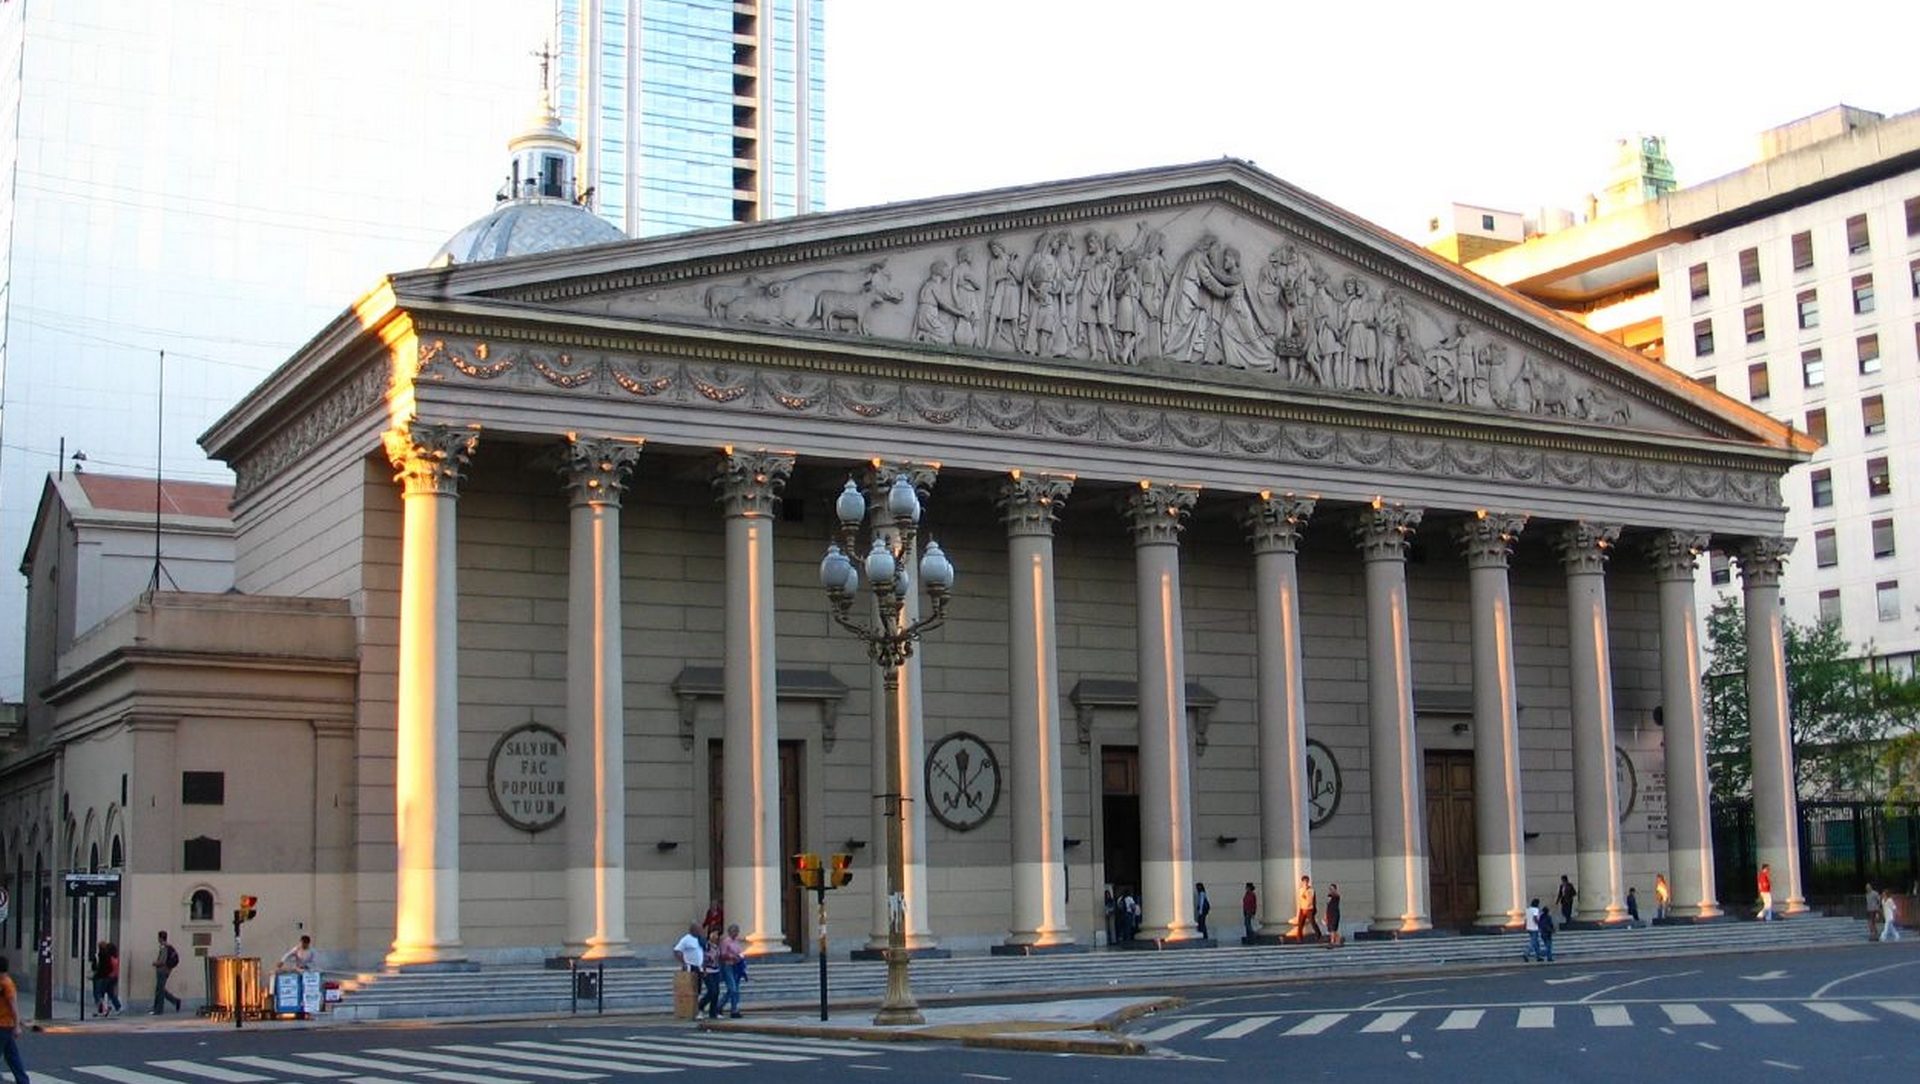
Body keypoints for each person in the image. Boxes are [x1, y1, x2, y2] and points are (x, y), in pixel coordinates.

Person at [0, 955, 27, 1084]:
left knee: (11, 1055)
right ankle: (23, 1081)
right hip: (5, 1025)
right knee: (12, 1056)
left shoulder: (7, 984)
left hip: (3, 1025)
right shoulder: (2, 983)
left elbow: (13, 1005)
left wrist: (17, 1025)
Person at [717, 924, 745, 1019]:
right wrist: (732, 956)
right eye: (734, 931)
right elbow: (722, 955)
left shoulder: (736, 942)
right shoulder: (725, 942)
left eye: (737, 931)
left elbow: (740, 952)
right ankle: (724, 1007)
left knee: (734, 989)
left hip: (736, 966)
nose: (736, 933)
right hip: (727, 966)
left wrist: (740, 957)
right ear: (729, 932)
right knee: (732, 988)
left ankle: (731, 1009)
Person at [150, 931, 182, 1015]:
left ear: (160, 938)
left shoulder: (164, 947)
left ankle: (159, 1010)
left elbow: (162, 961)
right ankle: (175, 1001)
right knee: (160, 989)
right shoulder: (165, 947)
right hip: (165, 970)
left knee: (160, 990)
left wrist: (155, 963)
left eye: (159, 937)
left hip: (162, 971)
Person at [697, 929, 724, 1019]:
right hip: (707, 971)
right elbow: (703, 957)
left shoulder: (717, 946)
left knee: (717, 992)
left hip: (715, 971)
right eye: (714, 934)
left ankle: (713, 1012)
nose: (716, 936)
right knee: (712, 991)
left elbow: (718, 959)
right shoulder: (706, 945)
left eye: (717, 935)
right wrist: (703, 970)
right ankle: (701, 1005)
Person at [91, 942, 120, 1017]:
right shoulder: (114, 958)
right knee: (110, 993)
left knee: (99, 993)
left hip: (103, 977)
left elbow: (95, 967)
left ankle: (103, 1008)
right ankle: (113, 1007)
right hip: (111, 977)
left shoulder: (100, 956)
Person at [1294, 875, 1323, 943]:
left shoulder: (1311, 890)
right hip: (1302, 908)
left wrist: (1313, 909)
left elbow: (1312, 900)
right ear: (1302, 882)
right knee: (1300, 924)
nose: (1305, 883)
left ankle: (1319, 936)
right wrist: (1300, 909)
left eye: (1306, 881)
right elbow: (1300, 899)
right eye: (1304, 881)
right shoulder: (1300, 890)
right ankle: (1299, 938)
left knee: (1313, 923)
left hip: (1309, 909)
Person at [1524, 898, 1545, 962]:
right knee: (1533, 942)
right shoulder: (1535, 910)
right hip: (1534, 928)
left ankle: (1538, 956)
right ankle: (1527, 953)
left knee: (1536, 942)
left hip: (1529, 927)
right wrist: (1539, 924)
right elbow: (1535, 918)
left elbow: (1526, 919)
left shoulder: (1528, 909)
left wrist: (1525, 926)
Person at [1324, 883, 1342, 948]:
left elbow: (1331, 902)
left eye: (1332, 888)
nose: (1331, 890)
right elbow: (1327, 905)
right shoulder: (1329, 895)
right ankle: (1337, 940)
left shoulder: (1336, 895)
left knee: (1333, 928)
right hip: (1330, 913)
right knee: (1332, 928)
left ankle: (1333, 941)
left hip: (1335, 913)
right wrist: (1325, 915)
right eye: (1330, 889)